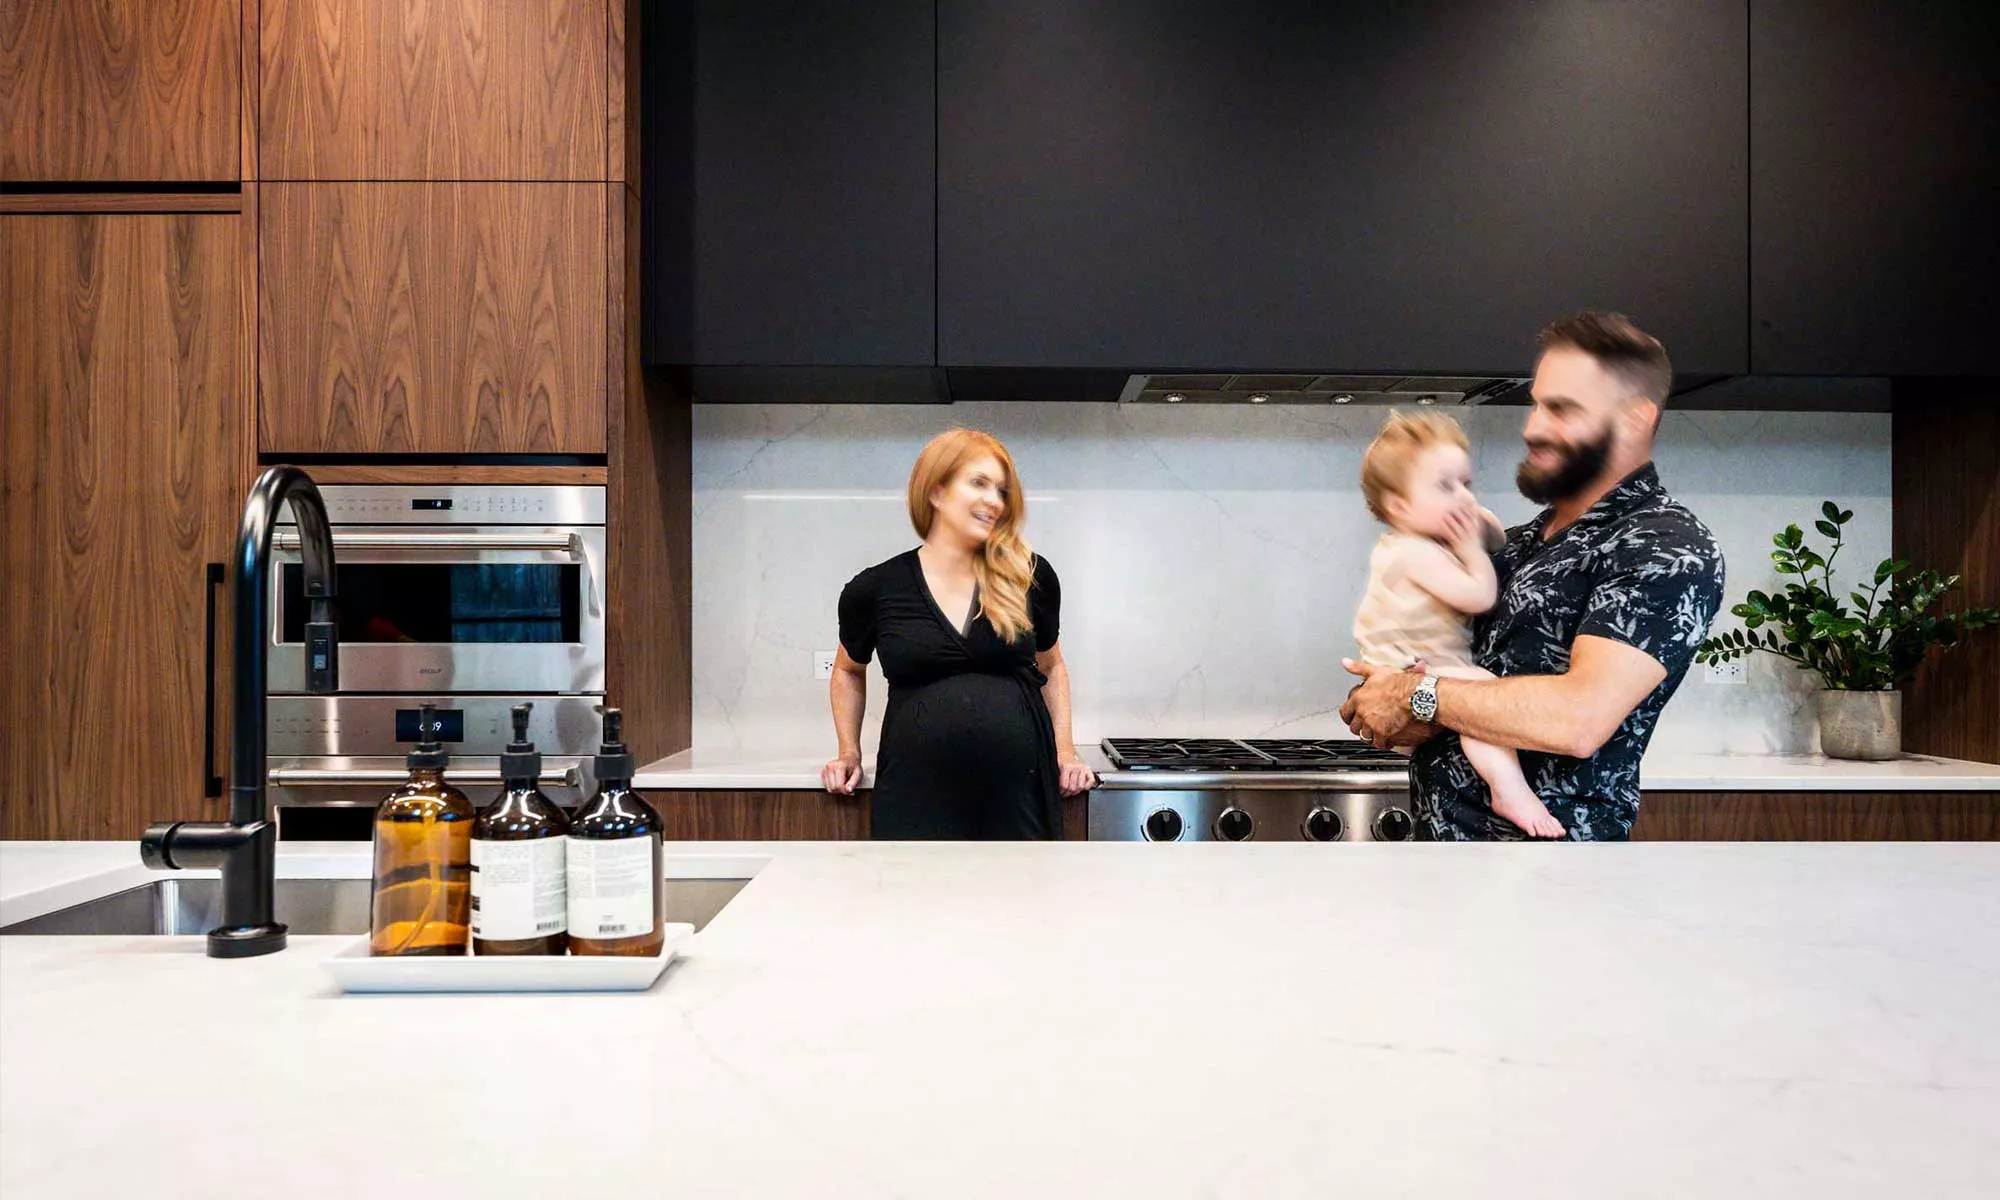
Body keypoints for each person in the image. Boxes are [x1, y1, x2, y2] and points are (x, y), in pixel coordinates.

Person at [1341, 312, 1725, 840]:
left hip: (1552, 879)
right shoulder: (1519, 543)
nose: (1533, 427)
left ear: (1636, 418)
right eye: (1537, 404)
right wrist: (1390, 696)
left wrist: (1415, 694)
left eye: (1562, 409)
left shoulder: (1665, 547)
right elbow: (1449, 695)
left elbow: (1577, 721)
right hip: (1442, 869)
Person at [822, 429, 1096, 838]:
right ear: (936, 491)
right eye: (979, 483)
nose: (994, 501)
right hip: (915, 796)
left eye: (1002, 490)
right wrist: (849, 750)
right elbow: (847, 671)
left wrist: (1066, 751)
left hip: (1018, 799)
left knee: (1020, 902)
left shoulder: (1029, 577)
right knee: (918, 900)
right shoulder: (876, 589)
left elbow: (1052, 667)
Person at [1352, 411, 1566, 838]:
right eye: (1444, 487)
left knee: (1473, 698)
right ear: (1399, 506)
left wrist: (1476, 521)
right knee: (1482, 697)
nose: (1462, 497)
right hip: (1410, 668)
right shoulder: (1412, 552)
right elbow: (1479, 594)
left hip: (1415, 667)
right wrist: (1470, 547)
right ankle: (1508, 788)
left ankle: (1506, 786)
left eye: (1465, 484)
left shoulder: (1424, 543)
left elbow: (1500, 542)